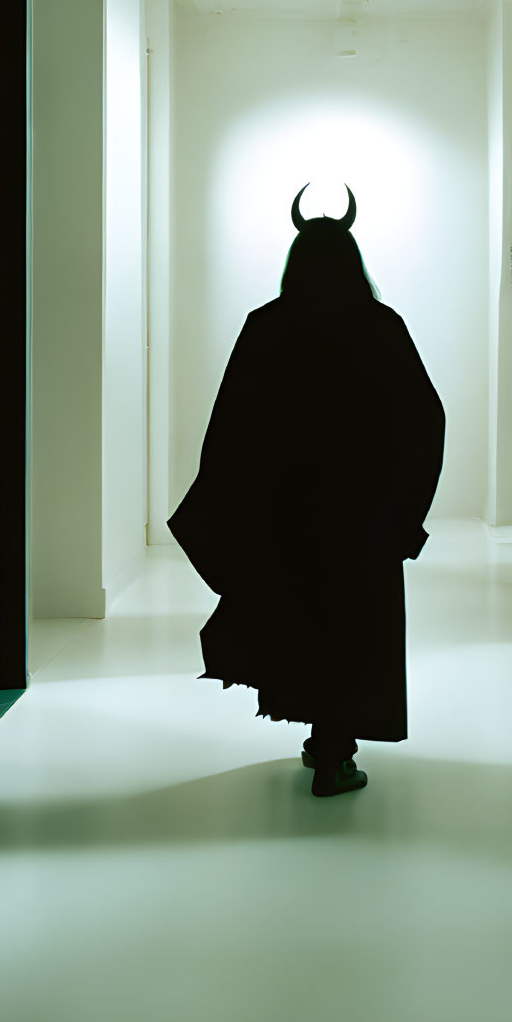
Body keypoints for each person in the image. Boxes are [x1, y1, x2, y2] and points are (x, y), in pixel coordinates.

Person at [168, 184, 446, 797]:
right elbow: (425, 419)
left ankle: (324, 743)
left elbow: (232, 424)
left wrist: (234, 507)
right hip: (361, 518)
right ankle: (333, 750)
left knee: (303, 619)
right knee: (354, 625)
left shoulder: (266, 326)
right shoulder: (380, 326)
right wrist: (404, 513)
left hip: (287, 516)